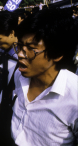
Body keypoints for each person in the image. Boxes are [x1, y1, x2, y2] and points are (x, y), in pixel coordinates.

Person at [11, 9, 78, 146]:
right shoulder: (19, 75)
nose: (20, 54)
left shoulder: (74, 96)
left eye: (31, 48)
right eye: (20, 46)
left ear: (57, 53)